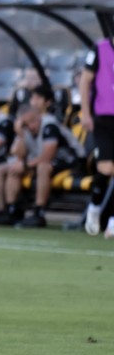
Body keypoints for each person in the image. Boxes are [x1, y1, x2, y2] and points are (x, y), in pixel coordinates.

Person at [0, 87, 84, 229]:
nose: (30, 126)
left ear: (38, 117)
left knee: (43, 167)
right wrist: (20, 134)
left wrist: (25, 165)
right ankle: (11, 210)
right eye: (26, 124)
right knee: (15, 166)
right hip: (49, 163)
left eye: (32, 122)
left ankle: (39, 213)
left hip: (72, 162)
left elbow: (47, 156)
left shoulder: (49, 125)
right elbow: (19, 155)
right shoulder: (26, 129)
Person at [81, 37, 114, 236]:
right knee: (106, 168)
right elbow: (85, 80)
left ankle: (112, 221)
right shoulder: (100, 48)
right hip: (103, 117)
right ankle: (94, 207)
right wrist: (85, 113)